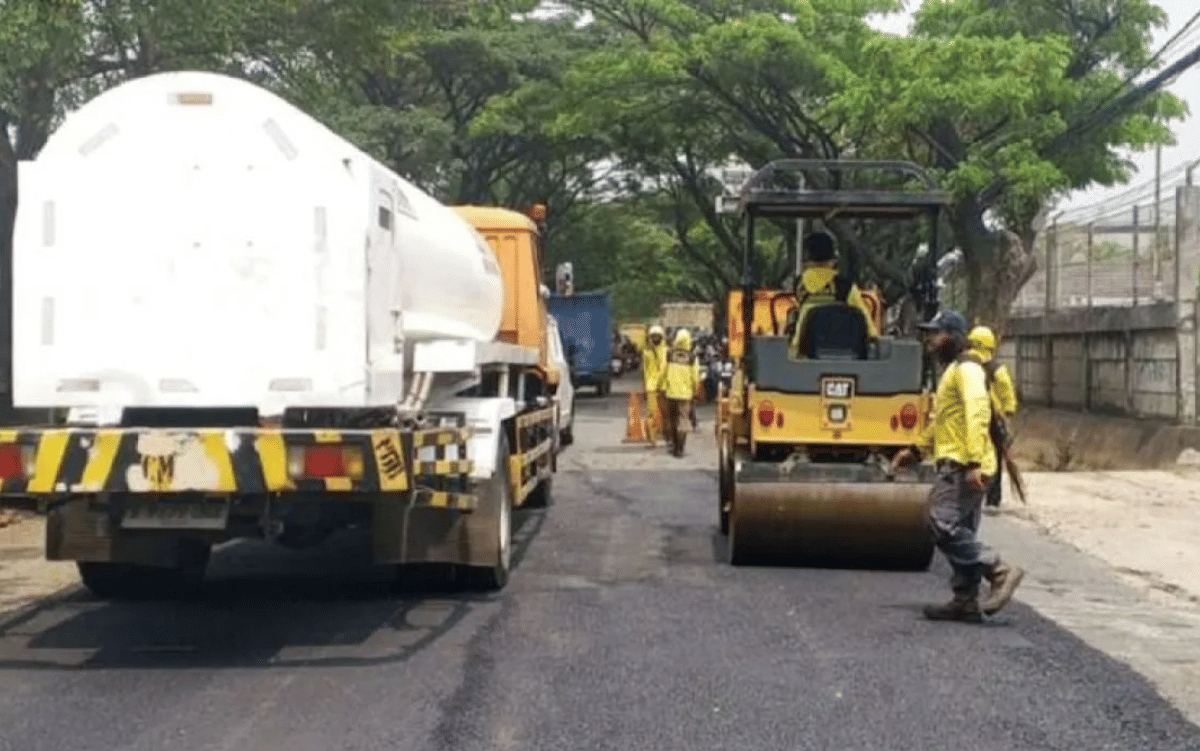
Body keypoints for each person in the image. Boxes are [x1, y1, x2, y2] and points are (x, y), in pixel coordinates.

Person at [890, 309, 1025, 622]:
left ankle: (999, 570)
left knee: (939, 520)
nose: (929, 340)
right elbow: (943, 422)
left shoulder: (966, 370)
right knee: (962, 529)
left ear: (951, 336)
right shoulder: (954, 370)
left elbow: (978, 412)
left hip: (965, 464)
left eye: (934, 334)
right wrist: (915, 450)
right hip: (964, 461)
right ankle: (965, 598)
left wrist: (974, 462)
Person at [787, 231, 880, 355]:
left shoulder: (799, 284)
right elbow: (869, 328)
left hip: (804, 351)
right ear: (832, 255)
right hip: (848, 354)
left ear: (807, 255)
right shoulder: (844, 285)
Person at [966, 325, 1019, 507]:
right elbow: (1007, 392)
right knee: (994, 459)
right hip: (993, 419)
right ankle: (993, 497)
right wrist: (1008, 412)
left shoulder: (965, 366)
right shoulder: (995, 368)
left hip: (971, 417)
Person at [663, 328, 701, 457]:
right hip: (685, 395)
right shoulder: (692, 357)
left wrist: (663, 387)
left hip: (671, 393)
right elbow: (696, 378)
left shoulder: (669, 354)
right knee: (683, 421)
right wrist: (696, 392)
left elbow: (664, 372)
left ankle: (674, 446)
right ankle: (680, 448)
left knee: (672, 421)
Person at [641, 324, 668, 446]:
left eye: (657, 336)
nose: (655, 338)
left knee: (665, 413)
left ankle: (665, 435)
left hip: (664, 386)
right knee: (652, 414)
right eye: (653, 336)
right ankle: (653, 438)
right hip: (651, 387)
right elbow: (645, 371)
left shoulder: (666, 351)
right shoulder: (646, 352)